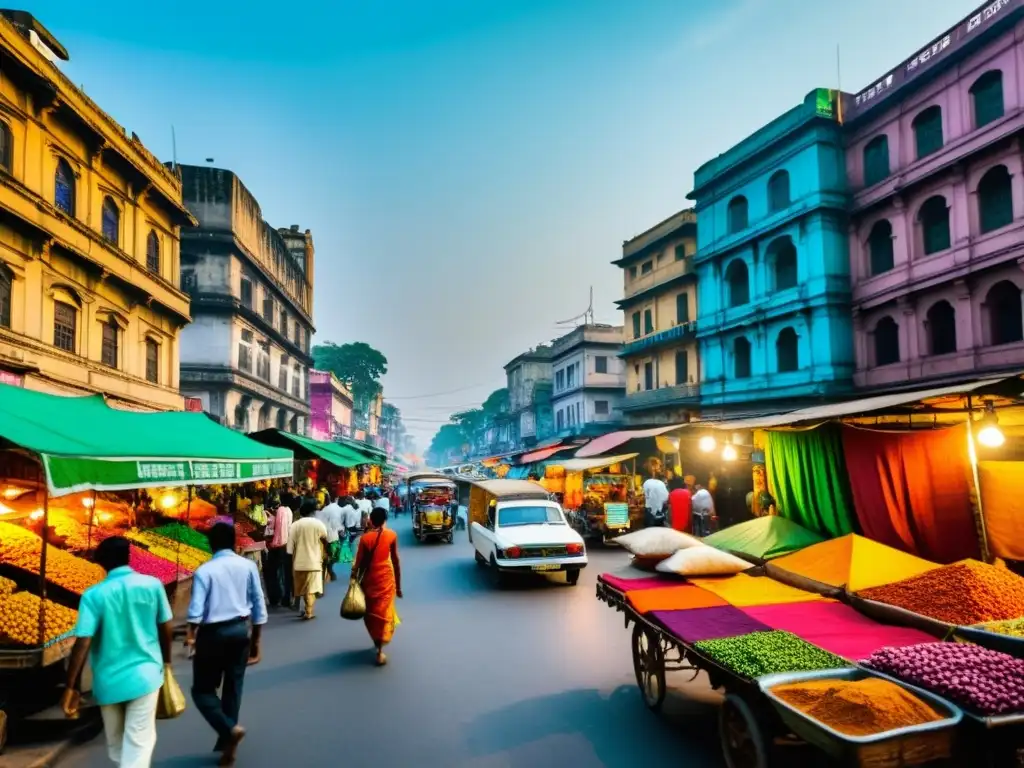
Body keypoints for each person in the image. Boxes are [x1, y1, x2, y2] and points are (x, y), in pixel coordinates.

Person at [62, 536, 173, 768]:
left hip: (108, 681)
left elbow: (82, 642)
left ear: (101, 562)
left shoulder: (93, 595)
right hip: (146, 675)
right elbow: (166, 628)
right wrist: (167, 663)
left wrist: (71, 686)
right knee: (138, 743)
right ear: (128, 557)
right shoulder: (152, 585)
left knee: (117, 745)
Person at [186, 523, 265, 766]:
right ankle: (228, 740)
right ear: (234, 542)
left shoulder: (204, 571)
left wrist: (190, 637)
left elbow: (195, 612)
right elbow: (258, 604)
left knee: (202, 690)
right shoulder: (248, 566)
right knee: (233, 686)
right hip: (240, 631)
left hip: (212, 634)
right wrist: (256, 642)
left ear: (210, 544)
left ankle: (228, 730)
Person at [354, 507, 402, 666]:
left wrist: (353, 579)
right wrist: (399, 585)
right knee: (386, 611)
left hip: (370, 579)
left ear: (371, 521)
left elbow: (359, 563)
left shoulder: (365, 539)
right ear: (385, 520)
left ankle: (378, 643)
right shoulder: (391, 535)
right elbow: (395, 561)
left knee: (371, 612)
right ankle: (381, 647)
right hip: (387, 579)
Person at [288, 498, 329, 619]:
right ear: (313, 512)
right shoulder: (318, 524)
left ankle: (306, 610)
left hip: (298, 562)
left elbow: (290, 547)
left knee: (303, 588)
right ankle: (309, 611)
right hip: (314, 561)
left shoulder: (295, 525)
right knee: (311, 588)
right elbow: (325, 540)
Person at [264, 493, 294, 608]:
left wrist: (274, 542)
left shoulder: (281, 511)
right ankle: (286, 597)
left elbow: (279, 530)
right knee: (284, 573)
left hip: (278, 546)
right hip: (286, 545)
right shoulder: (289, 511)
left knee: (277, 573)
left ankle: (279, 597)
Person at [315, 494, 345, 582]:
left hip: (327, 538)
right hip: (332, 537)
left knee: (326, 559)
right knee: (330, 558)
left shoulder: (323, 512)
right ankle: (330, 572)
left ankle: (328, 573)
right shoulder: (332, 508)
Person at [339, 496, 361, 564]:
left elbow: (341, 519)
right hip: (355, 528)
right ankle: (352, 557)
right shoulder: (357, 508)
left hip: (347, 528)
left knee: (345, 543)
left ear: (346, 501)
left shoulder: (344, 509)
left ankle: (346, 557)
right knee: (352, 543)